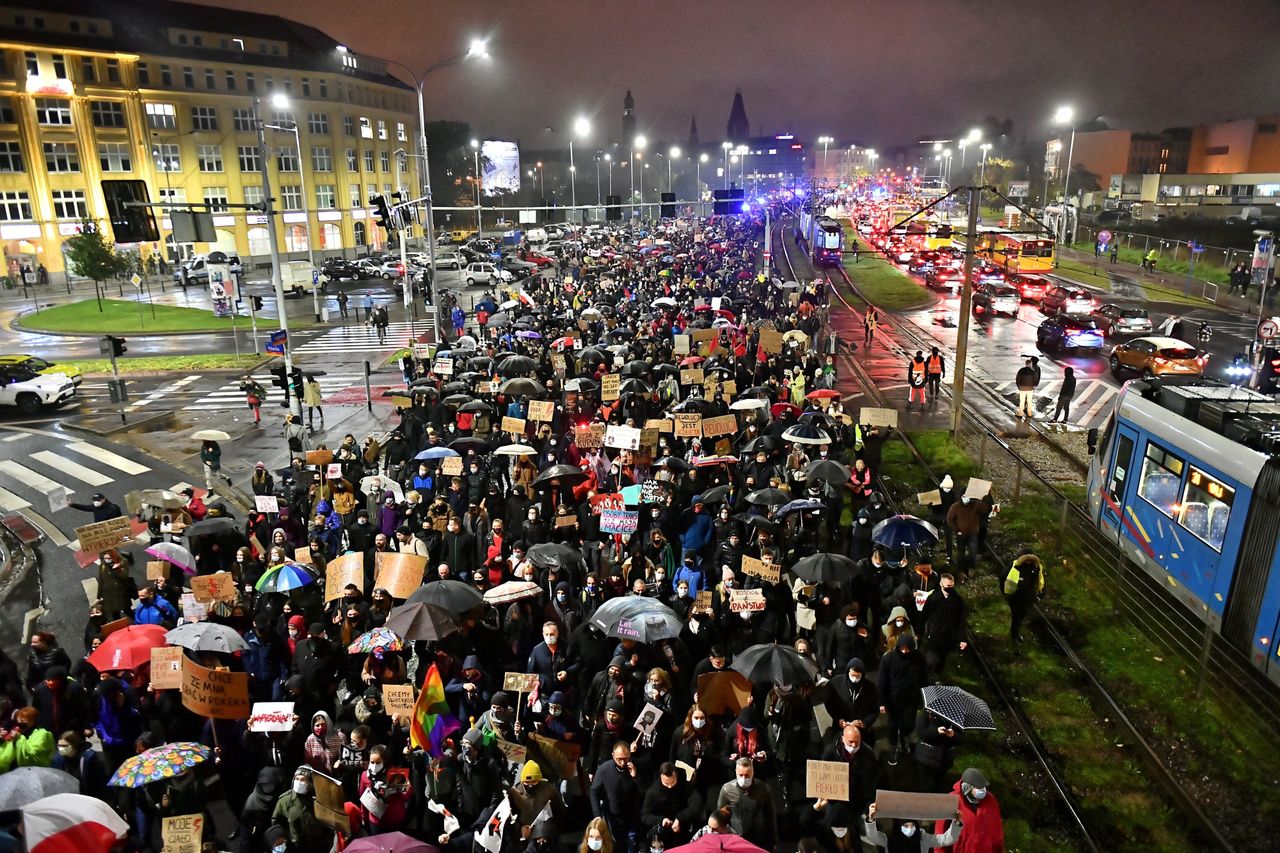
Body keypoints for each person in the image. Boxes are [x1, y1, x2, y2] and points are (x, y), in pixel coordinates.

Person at [878, 634, 926, 766]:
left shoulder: (919, 659)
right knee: (893, 726)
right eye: (902, 649)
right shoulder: (888, 659)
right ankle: (893, 746)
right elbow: (883, 681)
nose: (905, 652)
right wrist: (882, 702)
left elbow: (923, 678)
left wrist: (923, 696)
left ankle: (905, 740)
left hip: (911, 699)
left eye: (907, 649)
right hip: (893, 700)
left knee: (908, 724)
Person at [715, 757, 777, 850]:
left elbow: (770, 816)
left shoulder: (764, 789)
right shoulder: (727, 789)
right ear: (736, 772)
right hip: (736, 840)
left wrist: (773, 842)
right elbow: (720, 817)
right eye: (741, 775)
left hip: (758, 841)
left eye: (747, 775)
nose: (744, 778)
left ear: (753, 772)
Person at [935, 767, 1003, 853]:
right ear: (966, 788)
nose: (982, 791)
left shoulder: (990, 801)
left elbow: (997, 832)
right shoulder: (949, 802)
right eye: (978, 788)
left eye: (983, 787)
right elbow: (940, 839)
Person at [864, 801, 962, 851]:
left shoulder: (923, 838)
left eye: (912, 825)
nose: (910, 829)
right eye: (906, 826)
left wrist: (956, 823)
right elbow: (873, 836)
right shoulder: (889, 839)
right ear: (899, 826)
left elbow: (947, 839)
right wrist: (871, 819)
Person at [1003, 552, 1045, 653]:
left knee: (1021, 617)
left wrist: (1040, 594)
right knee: (1016, 618)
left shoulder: (1036, 568)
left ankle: (1016, 633)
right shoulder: (1016, 568)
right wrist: (1008, 594)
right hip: (1016, 599)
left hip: (1028, 599)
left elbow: (1040, 581)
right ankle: (1014, 640)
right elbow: (1008, 581)